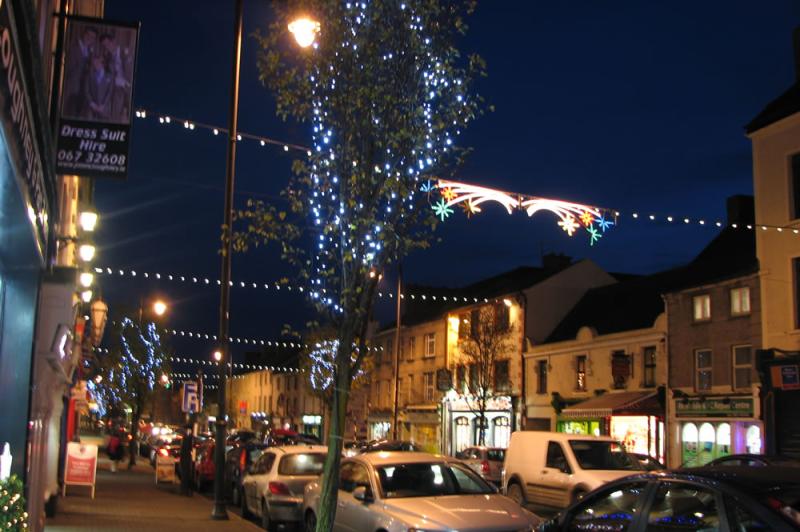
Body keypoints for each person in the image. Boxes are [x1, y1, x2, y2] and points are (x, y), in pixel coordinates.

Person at [63, 25, 97, 118]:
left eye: (93, 38)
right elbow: (69, 67)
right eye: (88, 36)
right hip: (72, 89)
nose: (90, 39)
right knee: (69, 113)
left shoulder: (90, 52)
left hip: (83, 92)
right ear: (84, 34)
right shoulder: (74, 46)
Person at [179, 424, 194, 496]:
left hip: (187, 458)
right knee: (185, 474)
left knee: (187, 474)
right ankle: (184, 490)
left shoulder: (189, 437)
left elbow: (189, 448)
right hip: (185, 458)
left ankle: (186, 490)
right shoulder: (186, 437)